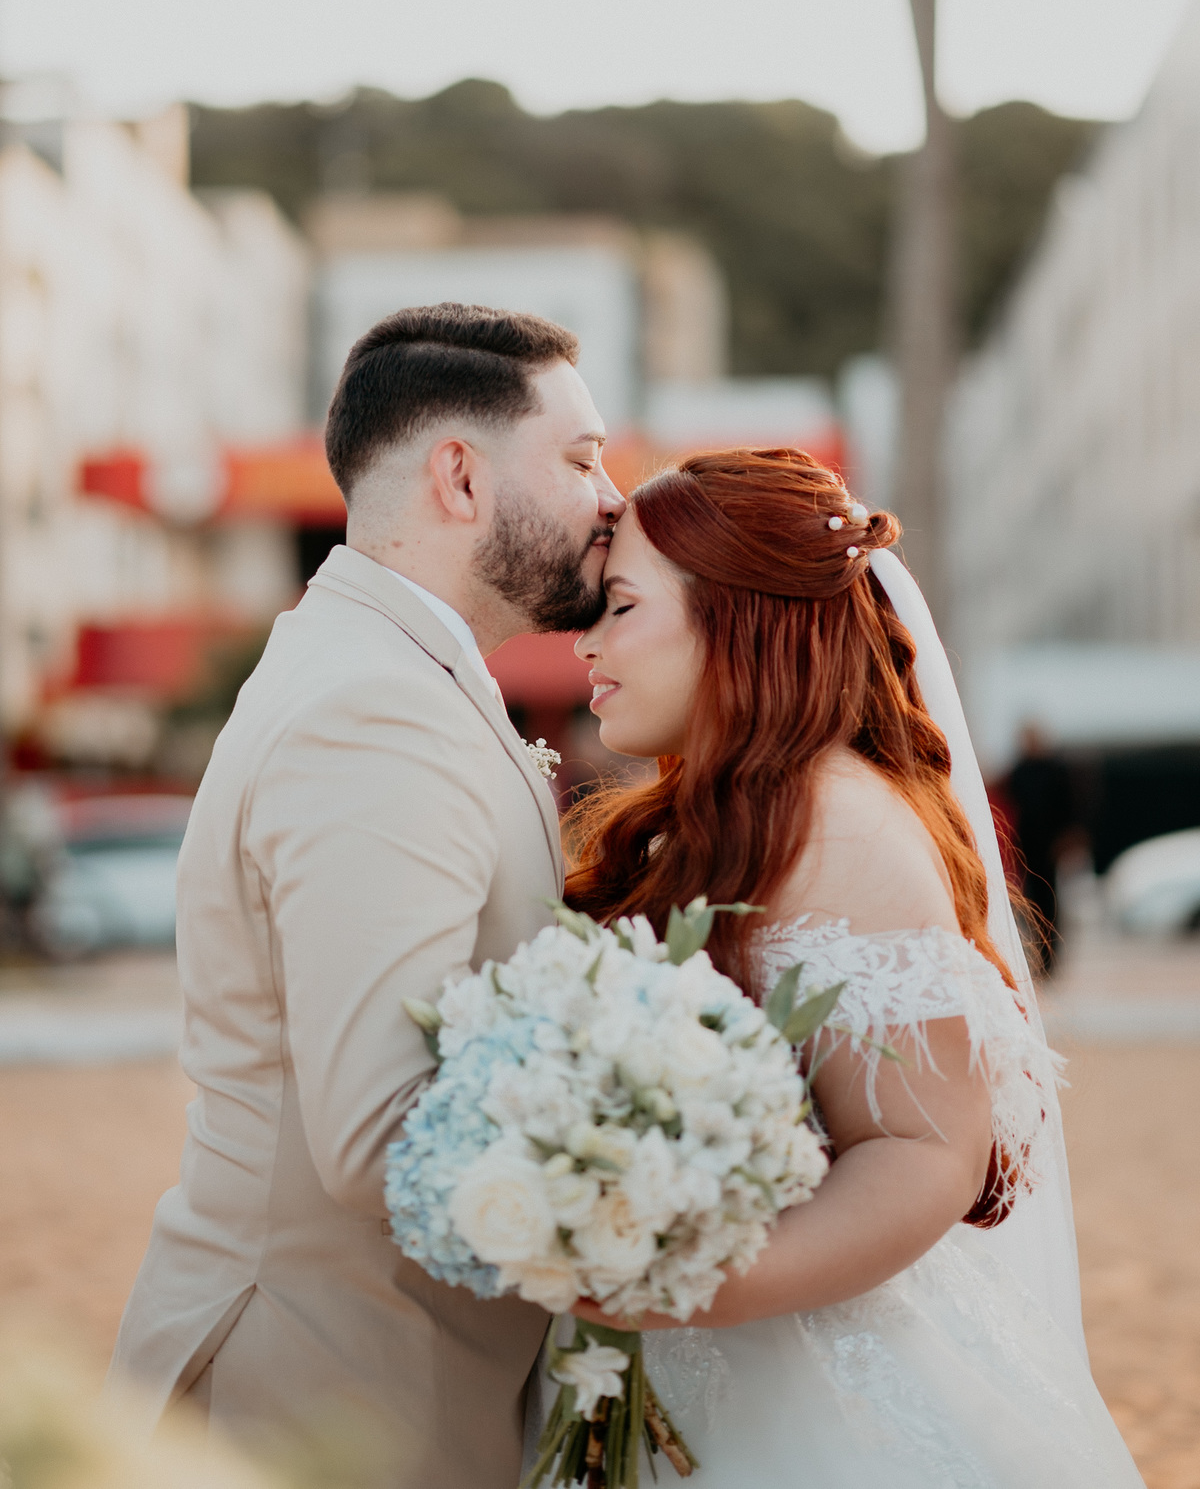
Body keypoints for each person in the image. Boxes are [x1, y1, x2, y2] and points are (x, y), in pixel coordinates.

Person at [111, 303, 625, 1489]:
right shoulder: (374, 710)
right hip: (321, 1393)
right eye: (583, 458)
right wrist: (661, 1193)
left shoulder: (389, 668)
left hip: (370, 1369)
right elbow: (382, 1131)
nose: (613, 499)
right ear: (459, 474)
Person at [565, 448, 1143, 1487]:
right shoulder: (733, 815)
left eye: (618, 606)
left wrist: (696, 1281)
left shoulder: (840, 828)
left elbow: (926, 1148)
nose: (587, 642)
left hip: (819, 1389)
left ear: (735, 615)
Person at [1006, 722, 1075, 975]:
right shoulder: (1019, 771)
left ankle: (1052, 957)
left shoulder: (1056, 770)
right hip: (1026, 846)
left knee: (1050, 903)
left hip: (1050, 846)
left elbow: (1068, 808)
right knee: (1029, 902)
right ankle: (1037, 955)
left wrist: (1065, 840)